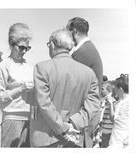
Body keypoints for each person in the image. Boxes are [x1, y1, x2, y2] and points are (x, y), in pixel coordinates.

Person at [30, 29, 100, 148]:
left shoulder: (42, 68)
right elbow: (93, 105)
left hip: (46, 137)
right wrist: (74, 123)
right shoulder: (89, 73)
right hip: (76, 138)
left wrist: (63, 127)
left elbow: (44, 103)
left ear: (51, 44)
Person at [0, 23, 34, 147]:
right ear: (11, 44)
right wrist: (20, 89)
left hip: (29, 119)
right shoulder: (3, 66)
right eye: (21, 47)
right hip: (12, 118)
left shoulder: (29, 67)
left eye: (27, 48)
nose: (24, 51)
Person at [66, 17, 103, 147]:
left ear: (74, 31)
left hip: (85, 113)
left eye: (67, 31)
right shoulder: (88, 48)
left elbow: (72, 85)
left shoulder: (82, 53)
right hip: (89, 111)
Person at [109, 75, 129, 148]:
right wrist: (110, 104)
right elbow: (113, 119)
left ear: (121, 89)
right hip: (115, 140)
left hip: (125, 143)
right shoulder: (119, 102)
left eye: (115, 88)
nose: (114, 90)